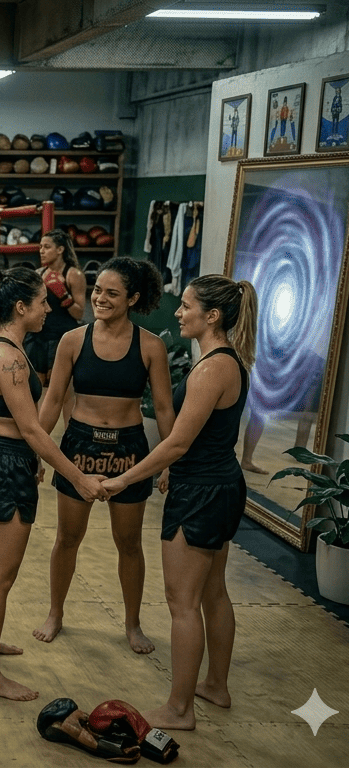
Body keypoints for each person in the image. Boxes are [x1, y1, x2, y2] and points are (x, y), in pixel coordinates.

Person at [100, 276, 257, 731]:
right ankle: (215, 686)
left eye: (186, 306)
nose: (178, 312)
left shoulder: (213, 368)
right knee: (212, 591)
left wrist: (123, 479)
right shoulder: (225, 360)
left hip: (201, 492)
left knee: (182, 601)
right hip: (217, 485)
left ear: (213, 316)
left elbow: (177, 443)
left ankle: (180, 709)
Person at [0, 266, 104, 702]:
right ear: (21, 307)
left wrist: (34, 459)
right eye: (43, 302)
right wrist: (77, 476)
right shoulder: (8, 358)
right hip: (4, 463)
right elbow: (31, 429)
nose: (49, 308)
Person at [34, 257, 173, 654]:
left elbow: (164, 409)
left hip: (129, 450)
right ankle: (55, 613)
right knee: (67, 537)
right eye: (97, 290)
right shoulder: (72, 341)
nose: (100, 298)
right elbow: (53, 400)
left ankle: (132, 623)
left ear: (133, 299)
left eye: (112, 293)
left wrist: (170, 463)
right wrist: (35, 451)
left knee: (129, 542)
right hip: (80, 446)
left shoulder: (151, 346)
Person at [24, 230, 86, 391]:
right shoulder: (39, 274)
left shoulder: (74, 274)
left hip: (61, 337)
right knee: (35, 387)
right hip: (38, 337)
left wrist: (63, 295)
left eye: (46, 247)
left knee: (57, 388)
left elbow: (79, 313)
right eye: (40, 247)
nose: (41, 251)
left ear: (60, 249)